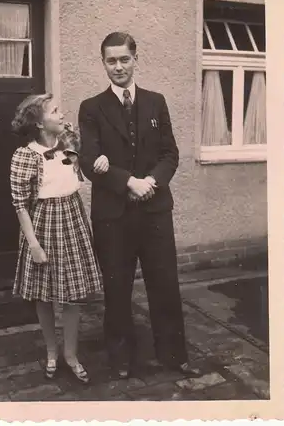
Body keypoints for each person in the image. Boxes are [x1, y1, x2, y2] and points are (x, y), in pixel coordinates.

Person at [78, 32, 201, 379]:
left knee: (164, 284)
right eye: (111, 60)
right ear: (103, 63)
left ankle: (174, 356)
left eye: (124, 59)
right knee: (117, 289)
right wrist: (127, 181)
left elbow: (170, 154)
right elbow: (88, 160)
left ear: (136, 59)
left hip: (154, 211)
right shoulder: (91, 108)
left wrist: (151, 182)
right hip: (112, 216)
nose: (118, 67)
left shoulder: (155, 102)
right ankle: (120, 360)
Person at [10, 93, 104, 383]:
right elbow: (20, 206)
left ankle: (70, 354)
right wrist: (34, 245)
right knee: (44, 294)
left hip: (73, 221)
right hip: (43, 225)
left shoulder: (69, 147)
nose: (62, 114)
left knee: (73, 294)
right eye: (55, 111)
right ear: (39, 123)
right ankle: (52, 351)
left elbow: (78, 178)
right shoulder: (24, 157)